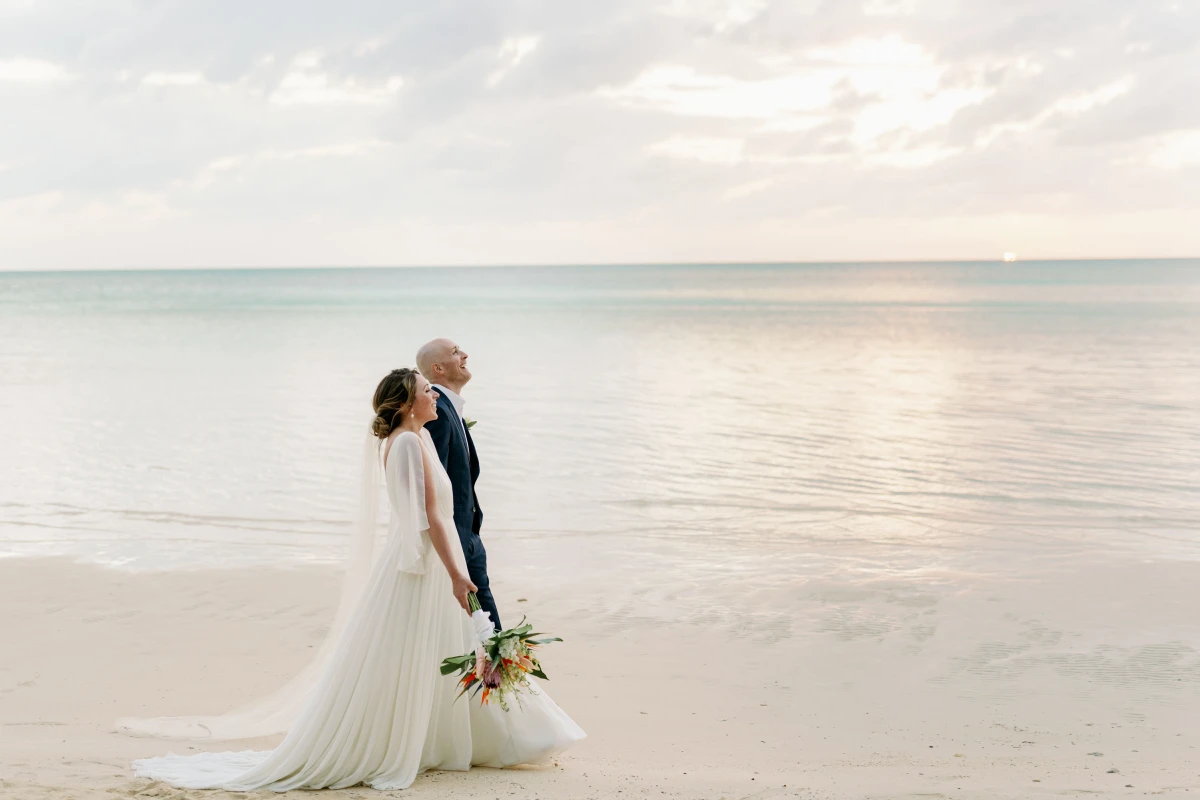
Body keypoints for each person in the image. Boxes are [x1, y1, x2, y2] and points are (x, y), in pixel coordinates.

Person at [125, 369, 583, 791]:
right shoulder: (404, 444)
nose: (434, 397)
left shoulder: (419, 438)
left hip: (434, 565)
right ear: (407, 404)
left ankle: (460, 740)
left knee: (443, 650)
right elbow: (429, 520)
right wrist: (457, 574)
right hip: (421, 568)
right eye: (427, 391)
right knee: (410, 654)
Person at [416, 338, 500, 630]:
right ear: (438, 368)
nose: (465, 355)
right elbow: (431, 487)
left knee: (485, 631)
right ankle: (493, 675)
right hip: (456, 541)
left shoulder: (450, 408)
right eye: (455, 352)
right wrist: (453, 554)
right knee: (486, 634)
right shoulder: (436, 412)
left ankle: (492, 674)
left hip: (468, 537)